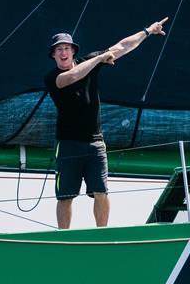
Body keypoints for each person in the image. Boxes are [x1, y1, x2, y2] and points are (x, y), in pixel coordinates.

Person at [44, 18, 168, 229]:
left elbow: (122, 46)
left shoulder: (91, 61)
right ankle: (62, 236)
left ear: (73, 51)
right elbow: (72, 76)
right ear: (54, 55)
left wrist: (148, 31)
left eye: (66, 48)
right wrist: (100, 58)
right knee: (65, 196)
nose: (63, 53)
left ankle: (102, 233)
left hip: (95, 143)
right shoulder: (52, 77)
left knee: (101, 192)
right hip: (68, 145)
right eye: (59, 50)